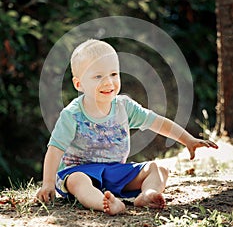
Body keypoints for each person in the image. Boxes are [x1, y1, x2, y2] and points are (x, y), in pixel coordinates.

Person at [36, 39, 218, 215]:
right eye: (98, 76)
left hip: (115, 171)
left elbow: (158, 122)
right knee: (78, 181)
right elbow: (55, 150)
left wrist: (188, 140)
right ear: (79, 84)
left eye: (114, 74)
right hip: (79, 171)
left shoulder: (124, 107)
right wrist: (48, 183)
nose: (108, 82)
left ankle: (146, 196)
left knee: (157, 169)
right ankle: (106, 204)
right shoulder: (72, 115)